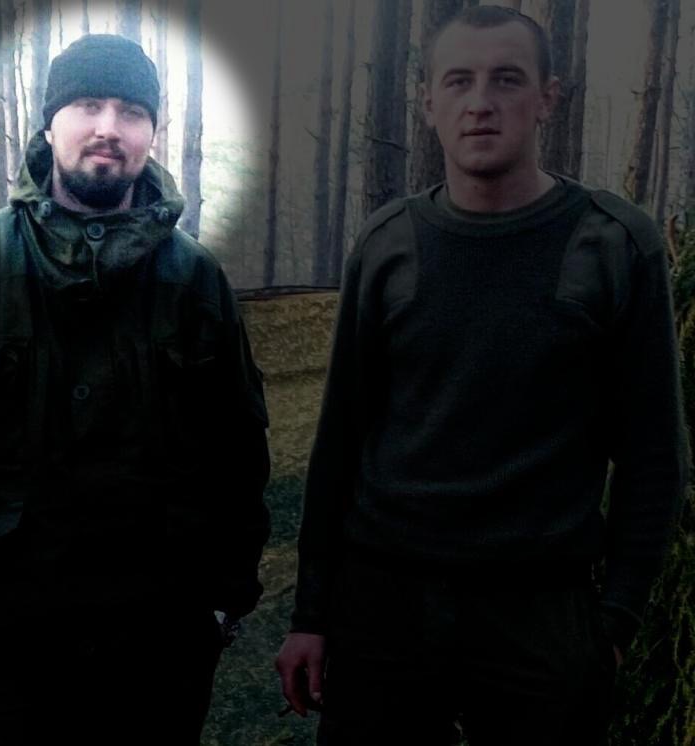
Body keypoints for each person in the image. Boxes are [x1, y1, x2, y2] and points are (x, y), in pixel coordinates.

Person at [275, 6, 688, 745]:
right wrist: (312, 614)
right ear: (428, 101)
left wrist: (614, 624)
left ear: (548, 98)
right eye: (459, 81)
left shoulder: (614, 245)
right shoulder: (388, 243)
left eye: (507, 79)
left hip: (541, 607)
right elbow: (340, 441)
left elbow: (654, 454)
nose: (481, 102)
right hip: (385, 600)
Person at [0, 34, 271, 745]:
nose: (108, 128)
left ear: (152, 131)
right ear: (50, 122)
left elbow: (238, 450)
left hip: (158, 640)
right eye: (88, 105)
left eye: (131, 111)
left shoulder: (194, 280)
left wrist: (222, 599)